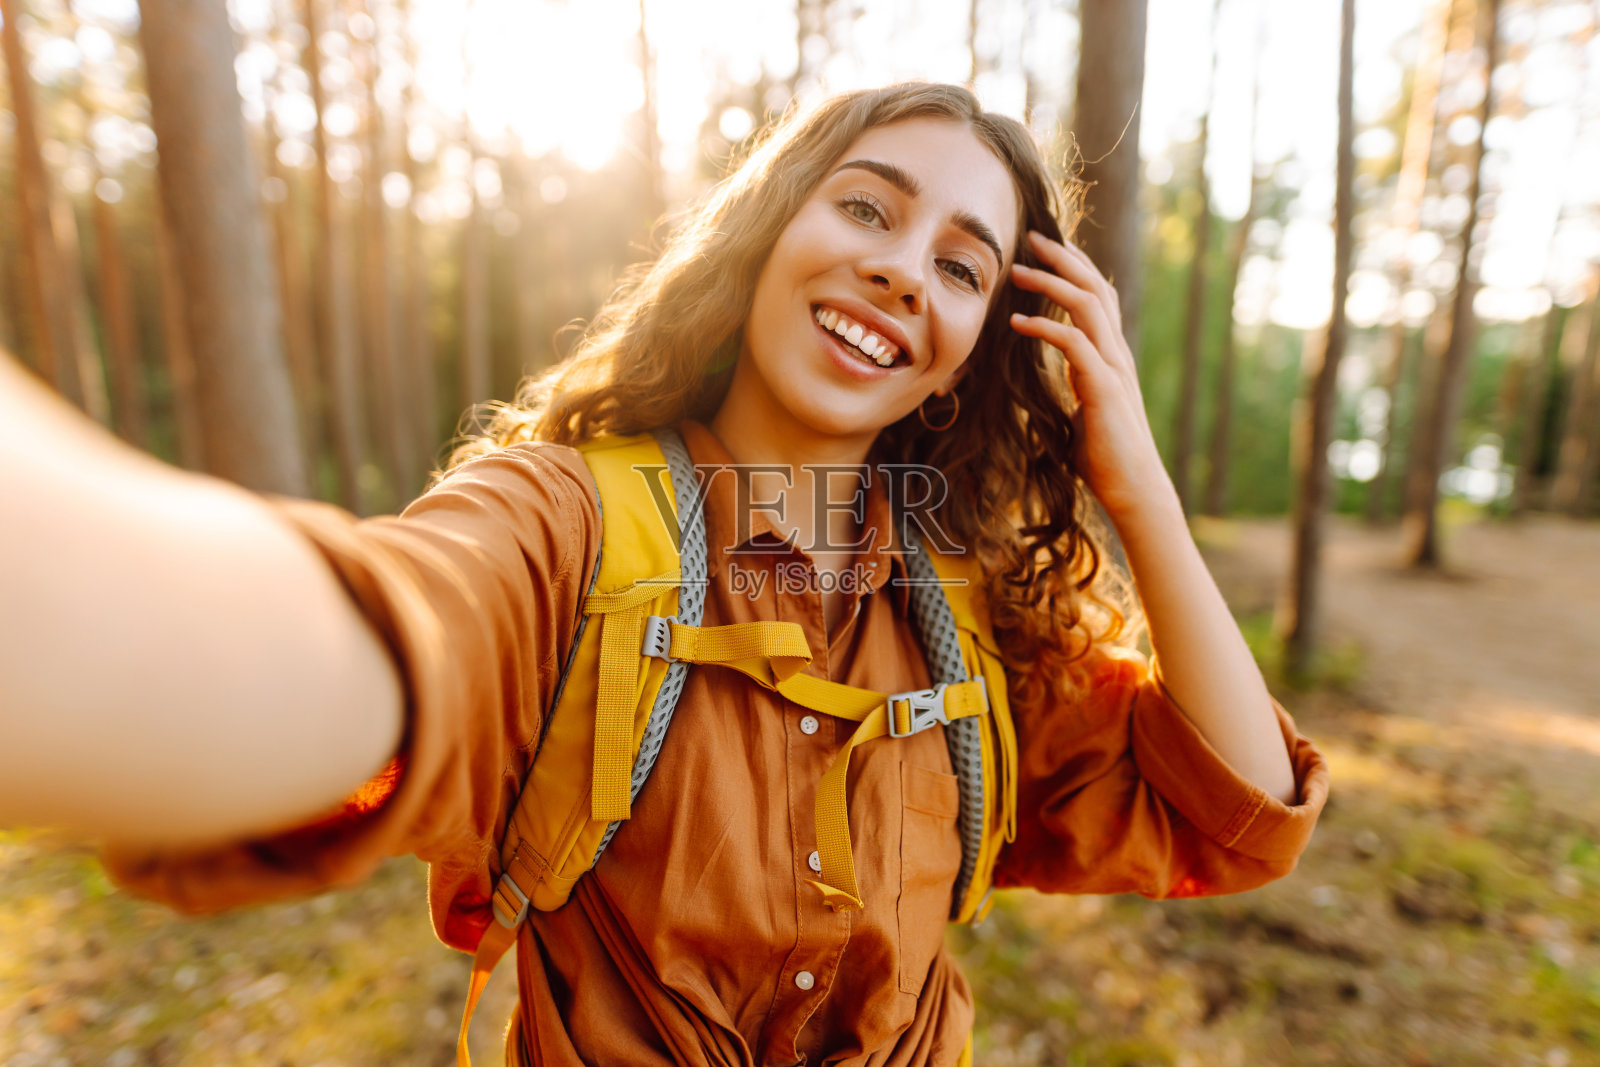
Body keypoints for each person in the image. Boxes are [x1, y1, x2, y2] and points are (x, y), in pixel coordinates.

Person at [0, 82, 1329, 1065]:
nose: (898, 266)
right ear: (765, 233)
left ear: (975, 347)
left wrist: (1136, 483)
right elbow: (375, 638)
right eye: (866, 205)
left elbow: (1236, 813)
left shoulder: (967, 617)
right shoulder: (566, 522)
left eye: (961, 265)